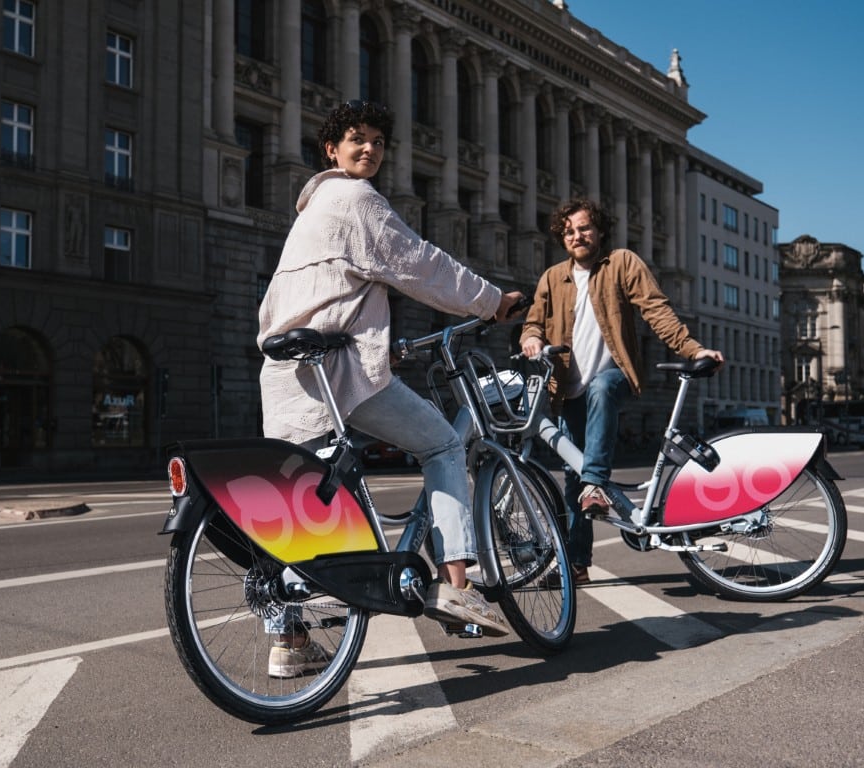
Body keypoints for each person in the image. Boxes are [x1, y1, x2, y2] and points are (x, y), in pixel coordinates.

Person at [257, 101, 527, 677]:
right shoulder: (357, 200)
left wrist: (386, 342)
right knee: (443, 445)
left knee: (297, 499)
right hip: (340, 372)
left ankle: (289, 640)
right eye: (357, 139)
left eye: (379, 141)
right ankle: (458, 584)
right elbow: (420, 265)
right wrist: (491, 301)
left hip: (285, 374)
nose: (370, 150)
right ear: (331, 149)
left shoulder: (304, 217)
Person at [519, 198, 724, 586]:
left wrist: (693, 349)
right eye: (568, 231)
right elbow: (534, 322)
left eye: (583, 228)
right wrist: (531, 338)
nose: (576, 236)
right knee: (572, 476)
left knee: (599, 400)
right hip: (566, 390)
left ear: (598, 231)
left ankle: (597, 484)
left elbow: (656, 310)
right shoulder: (551, 278)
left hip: (614, 376)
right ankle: (576, 565)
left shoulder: (622, 263)